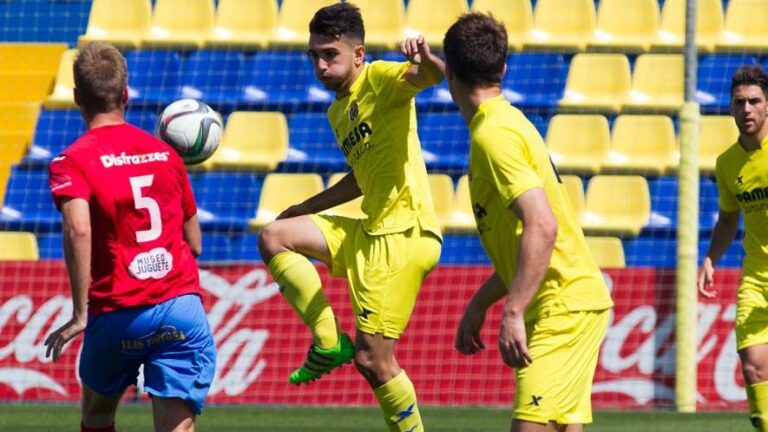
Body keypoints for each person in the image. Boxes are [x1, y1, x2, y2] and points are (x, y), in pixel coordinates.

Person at [257, 3, 443, 431]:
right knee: (275, 235)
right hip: (372, 228)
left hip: (403, 234)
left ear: (358, 54)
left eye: (330, 55)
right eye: (314, 56)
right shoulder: (338, 111)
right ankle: (326, 341)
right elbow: (361, 178)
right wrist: (306, 208)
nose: (320, 65)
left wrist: (424, 58)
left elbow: (432, 77)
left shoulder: (378, 80)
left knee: (374, 360)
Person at [443, 13, 614, 432]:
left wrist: (512, 311)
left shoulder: (493, 136)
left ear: (451, 73)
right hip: (570, 302)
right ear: (502, 68)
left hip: (561, 307)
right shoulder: (509, 121)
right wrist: (480, 304)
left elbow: (542, 227)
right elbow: (527, 245)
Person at [44, 42, 216, 432]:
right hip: (179, 308)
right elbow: (196, 243)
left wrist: (79, 313)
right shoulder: (166, 154)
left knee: (98, 416)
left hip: (118, 313)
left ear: (77, 99)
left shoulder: (70, 161)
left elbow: (79, 227)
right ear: (126, 94)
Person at [698, 65, 768, 431]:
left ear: (767, 106)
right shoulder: (727, 164)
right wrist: (711, 257)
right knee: (755, 368)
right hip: (756, 281)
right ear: (729, 108)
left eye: (755, 101)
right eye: (740, 102)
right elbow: (728, 219)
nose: (747, 109)